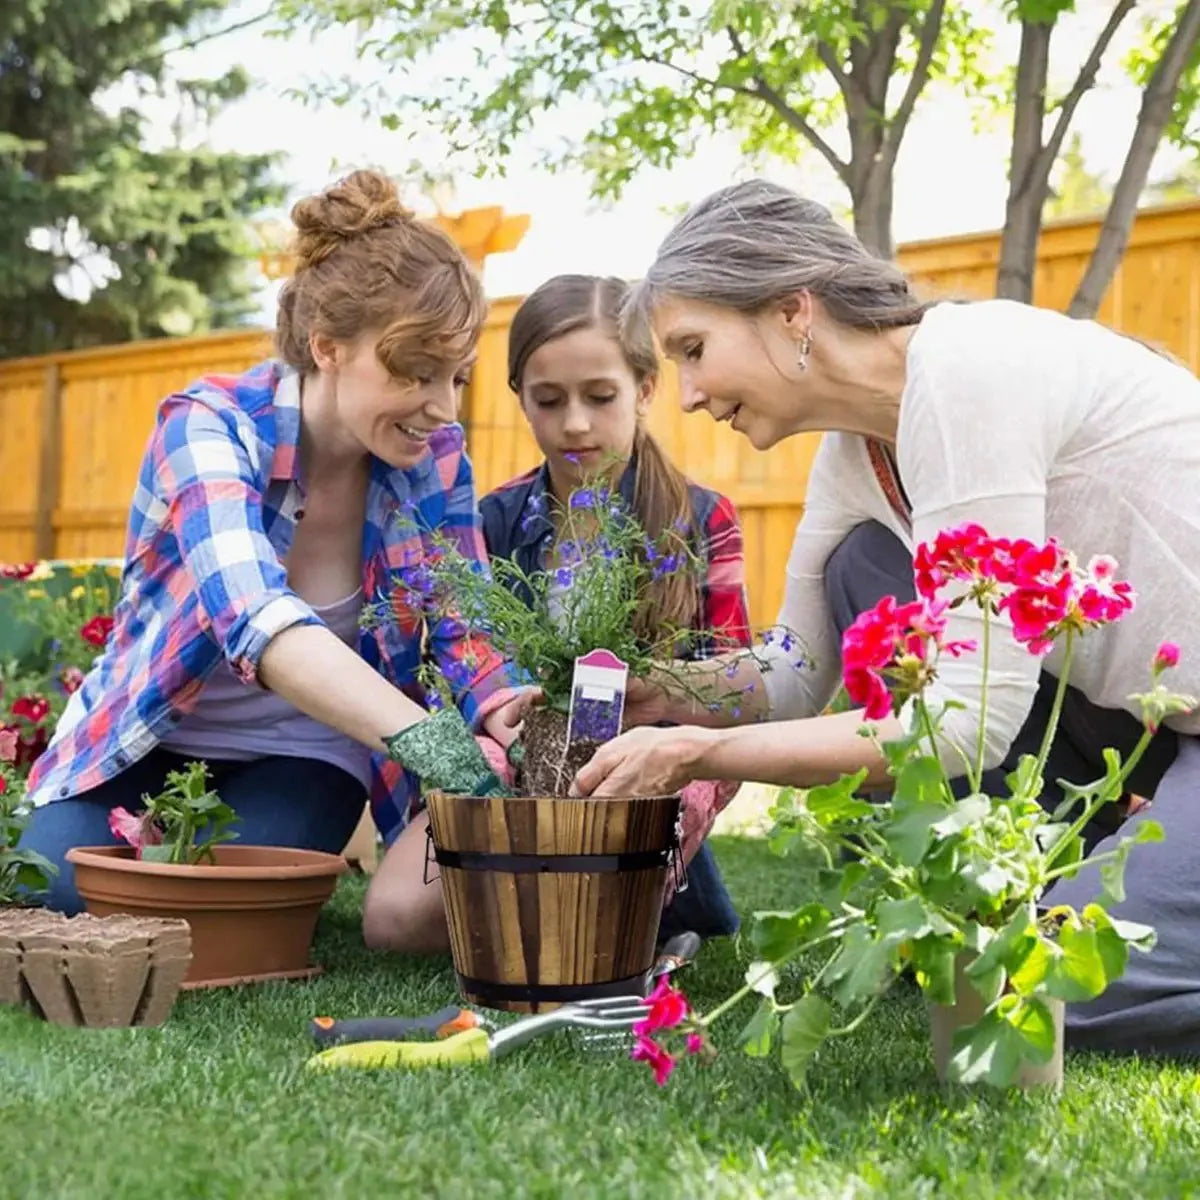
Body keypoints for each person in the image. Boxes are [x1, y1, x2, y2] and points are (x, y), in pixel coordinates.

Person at [571, 179, 1200, 1056]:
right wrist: (661, 692)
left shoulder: (970, 371)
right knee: (864, 564)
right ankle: (1063, 869)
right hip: (1134, 715)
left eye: (693, 349)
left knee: (1054, 988)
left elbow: (969, 723)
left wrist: (703, 753)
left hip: (1167, 715)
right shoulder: (857, 450)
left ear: (793, 311)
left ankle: (1107, 883)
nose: (684, 395)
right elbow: (792, 670)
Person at [20, 169, 532, 928]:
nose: (442, 407)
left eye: (456, 377)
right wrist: (433, 742)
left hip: (305, 757)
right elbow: (255, 620)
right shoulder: (208, 426)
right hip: (152, 734)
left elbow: (464, 624)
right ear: (327, 347)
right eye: (415, 372)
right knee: (53, 890)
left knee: (220, 913)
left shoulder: (437, 458)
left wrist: (503, 704)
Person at [475, 273, 753, 943]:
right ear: (521, 399)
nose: (575, 423)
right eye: (548, 400)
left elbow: (737, 686)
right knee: (405, 905)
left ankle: (609, 912)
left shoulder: (701, 518)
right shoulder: (496, 520)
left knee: (640, 809)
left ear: (646, 389)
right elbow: (478, 664)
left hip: (656, 752)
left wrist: (651, 721)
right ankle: (557, 910)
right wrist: (513, 727)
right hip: (530, 751)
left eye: (601, 397)